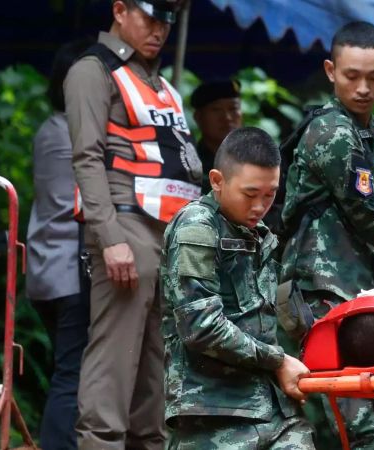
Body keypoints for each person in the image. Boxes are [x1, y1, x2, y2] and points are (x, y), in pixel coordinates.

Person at [278, 21, 374, 448]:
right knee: (362, 424)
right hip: (319, 293)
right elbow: (367, 218)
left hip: (357, 295)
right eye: (351, 76)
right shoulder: (331, 132)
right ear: (331, 71)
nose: (364, 87)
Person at [64, 1, 202, 447]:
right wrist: (110, 239)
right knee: (113, 363)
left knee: (157, 366)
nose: (159, 29)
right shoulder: (93, 71)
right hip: (127, 228)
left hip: (170, 236)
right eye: (150, 16)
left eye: (167, 20)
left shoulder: (160, 83)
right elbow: (86, 159)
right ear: (120, 10)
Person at [161, 127, 314, 448]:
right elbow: (201, 326)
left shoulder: (259, 234)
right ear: (217, 181)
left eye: (270, 194)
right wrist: (278, 360)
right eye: (250, 194)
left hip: (272, 407)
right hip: (213, 409)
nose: (260, 206)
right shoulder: (196, 227)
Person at [25, 37, 93, 450]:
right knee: (73, 376)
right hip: (71, 269)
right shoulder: (75, 132)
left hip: (48, 269)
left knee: (69, 372)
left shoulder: (51, 128)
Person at [191, 79, 243, 192]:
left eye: (233, 108)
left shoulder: (255, 158)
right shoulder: (189, 162)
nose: (227, 118)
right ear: (198, 117)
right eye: (216, 110)